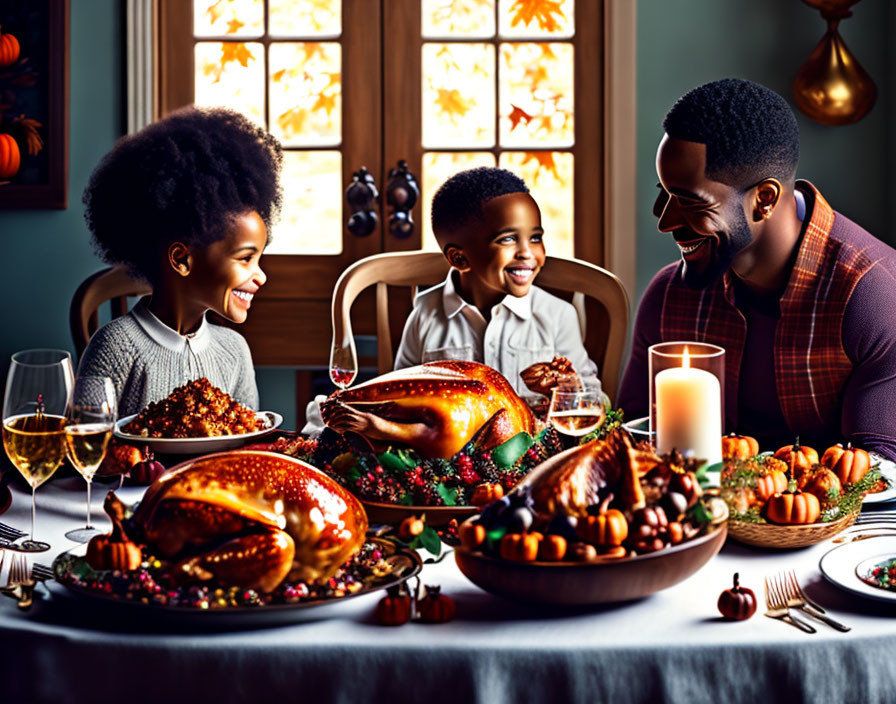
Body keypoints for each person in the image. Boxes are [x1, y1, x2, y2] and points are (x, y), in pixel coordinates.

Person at [617, 78, 896, 459]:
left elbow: (878, 479)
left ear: (764, 200)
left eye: (690, 203)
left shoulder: (873, 295)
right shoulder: (668, 297)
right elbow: (631, 445)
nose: (664, 222)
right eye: (663, 194)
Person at [78, 106, 283, 416]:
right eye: (245, 259)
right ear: (182, 259)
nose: (261, 276)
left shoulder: (234, 351)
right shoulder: (114, 348)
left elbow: (245, 449)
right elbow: (85, 449)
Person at [394, 166, 599, 398]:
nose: (527, 253)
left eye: (535, 238)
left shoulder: (557, 315)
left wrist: (566, 390)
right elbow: (397, 394)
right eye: (508, 239)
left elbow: (594, 398)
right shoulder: (425, 313)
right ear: (459, 258)